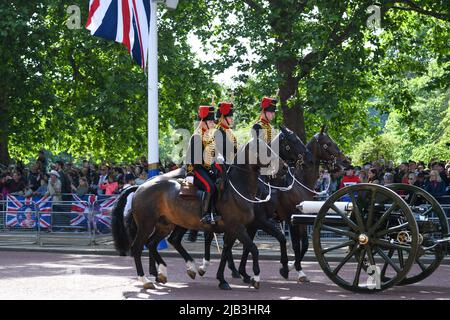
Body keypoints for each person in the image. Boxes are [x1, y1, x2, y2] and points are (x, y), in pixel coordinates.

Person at [186, 105, 219, 224]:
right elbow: (193, 158)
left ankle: (214, 211)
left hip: (207, 169)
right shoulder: (197, 136)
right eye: (210, 121)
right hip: (196, 169)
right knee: (209, 186)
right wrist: (190, 173)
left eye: (213, 121)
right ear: (203, 122)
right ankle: (204, 214)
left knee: (219, 185)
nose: (213, 124)